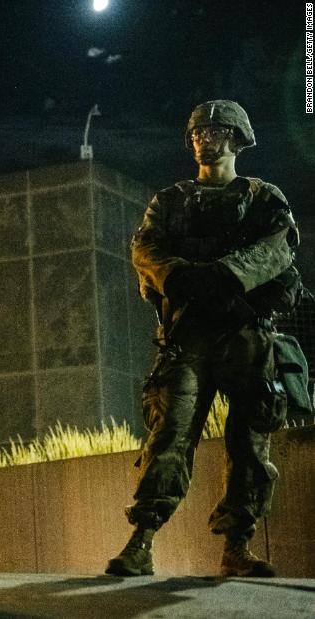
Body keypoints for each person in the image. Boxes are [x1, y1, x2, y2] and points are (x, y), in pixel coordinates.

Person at [106, 100, 300, 578]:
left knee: (250, 443)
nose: (202, 138)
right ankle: (143, 539)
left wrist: (228, 275)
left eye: (214, 130)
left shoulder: (262, 198)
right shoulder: (170, 201)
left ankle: (238, 546)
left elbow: (278, 247)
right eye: (197, 130)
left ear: (235, 137)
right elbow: (145, 247)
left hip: (245, 334)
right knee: (170, 434)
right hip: (188, 334)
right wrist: (179, 277)